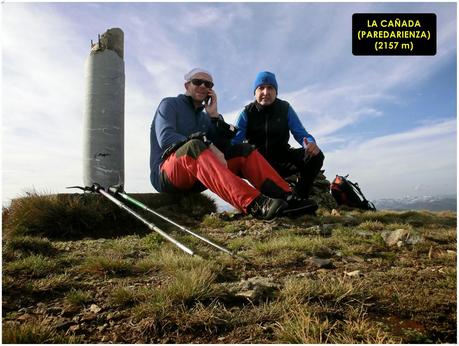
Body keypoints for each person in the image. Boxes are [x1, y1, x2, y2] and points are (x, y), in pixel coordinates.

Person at [150, 68, 315, 220]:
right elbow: (166, 138)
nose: (202, 86)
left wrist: (214, 116)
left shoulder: (205, 117)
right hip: (167, 174)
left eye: (208, 84)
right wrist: (206, 143)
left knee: (244, 150)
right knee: (195, 146)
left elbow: (224, 145)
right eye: (197, 82)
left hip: (198, 178)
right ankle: (255, 204)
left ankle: (287, 198)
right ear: (187, 85)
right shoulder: (169, 104)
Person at [232, 71, 325, 201]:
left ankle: (299, 197)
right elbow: (235, 141)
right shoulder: (246, 113)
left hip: (283, 158)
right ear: (255, 92)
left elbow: (301, 134)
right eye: (261, 88)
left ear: (276, 92)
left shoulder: (285, 108)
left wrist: (309, 143)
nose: (266, 92)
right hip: (258, 164)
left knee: (316, 155)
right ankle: (250, 199)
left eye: (270, 87)